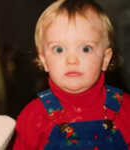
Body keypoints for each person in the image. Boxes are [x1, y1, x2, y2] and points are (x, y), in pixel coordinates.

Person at [13, 0, 130, 149]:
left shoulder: (125, 110)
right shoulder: (33, 117)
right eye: (59, 49)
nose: (72, 60)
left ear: (105, 59)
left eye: (86, 49)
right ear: (44, 61)